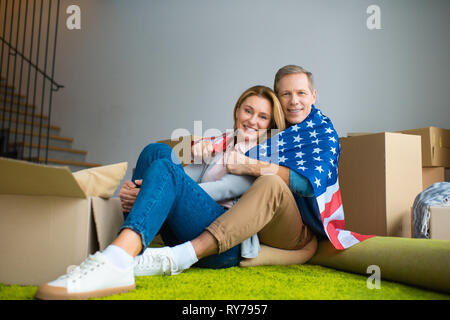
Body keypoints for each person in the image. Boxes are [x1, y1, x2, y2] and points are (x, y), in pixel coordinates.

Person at [35, 85, 287, 300]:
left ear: (270, 125)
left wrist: (162, 189)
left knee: (166, 170)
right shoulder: (219, 143)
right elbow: (186, 180)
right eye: (248, 110)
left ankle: (117, 259)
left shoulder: (263, 155)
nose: (253, 121)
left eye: (262, 117)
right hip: (189, 224)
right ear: (237, 110)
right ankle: (129, 248)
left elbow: (219, 190)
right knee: (156, 151)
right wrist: (150, 190)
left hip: (222, 244)